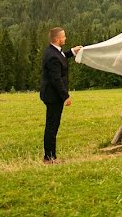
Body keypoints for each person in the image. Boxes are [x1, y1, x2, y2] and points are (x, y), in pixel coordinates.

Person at [39, 27, 82, 163]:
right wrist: (66, 96)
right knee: (52, 126)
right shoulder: (52, 56)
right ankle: (49, 157)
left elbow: (61, 56)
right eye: (64, 37)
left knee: (53, 125)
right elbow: (56, 79)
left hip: (52, 95)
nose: (65, 38)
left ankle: (50, 156)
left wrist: (72, 52)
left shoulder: (54, 51)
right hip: (53, 96)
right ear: (57, 39)